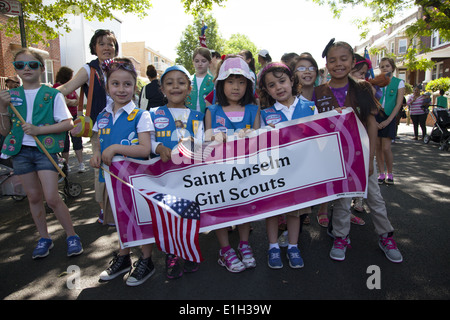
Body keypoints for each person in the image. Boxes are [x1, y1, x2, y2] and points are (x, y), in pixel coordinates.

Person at [313, 40, 403, 263]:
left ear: (353, 62)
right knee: (342, 199)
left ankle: (386, 235)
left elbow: (371, 123)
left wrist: (371, 156)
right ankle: (341, 237)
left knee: (375, 198)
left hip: (362, 155)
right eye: (332, 60)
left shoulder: (363, 88)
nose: (338, 64)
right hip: (336, 157)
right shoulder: (319, 92)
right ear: (326, 64)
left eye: (343, 59)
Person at [0, 48, 83, 259]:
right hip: (20, 152)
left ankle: (72, 235)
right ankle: (44, 238)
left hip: (44, 150)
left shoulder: (52, 94)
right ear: (16, 69)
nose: (26, 68)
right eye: (20, 65)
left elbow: (67, 123)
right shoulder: (11, 96)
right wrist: (2, 107)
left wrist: (39, 130)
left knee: (52, 197)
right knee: (34, 196)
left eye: (32, 64)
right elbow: (3, 130)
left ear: (41, 68)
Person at [90, 58, 154, 286]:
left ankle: (146, 260)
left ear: (134, 87)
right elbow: (96, 141)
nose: (121, 89)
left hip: (134, 180)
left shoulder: (140, 115)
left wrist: (115, 148)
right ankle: (124, 256)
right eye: (115, 84)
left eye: (127, 84)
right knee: (120, 219)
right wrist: (96, 152)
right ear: (107, 87)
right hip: (109, 178)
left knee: (140, 219)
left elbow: (145, 148)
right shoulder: (103, 115)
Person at [57, 29, 119, 224]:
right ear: (94, 47)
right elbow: (66, 89)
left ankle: (122, 204)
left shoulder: (121, 66)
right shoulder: (88, 69)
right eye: (102, 43)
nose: (107, 47)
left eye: (110, 43)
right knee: (101, 167)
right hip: (100, 128)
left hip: (124, 123)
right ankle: (103, 208)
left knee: (124, 164)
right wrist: (40, 94)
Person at [258, 62, 317, 269]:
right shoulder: (265, 115)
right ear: (266, 90)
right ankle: (273, 247)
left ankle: (293, 246)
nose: (279, 87)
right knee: (273, 210)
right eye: (272, 85)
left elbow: (320, 138)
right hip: (275, 171)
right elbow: (260, 147)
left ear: (292, 80)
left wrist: (335, 118)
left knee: (296, 210)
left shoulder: (310, 107)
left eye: (282, 81)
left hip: (300, 171)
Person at [204, 56, 260, 273]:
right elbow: (207, 139)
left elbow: (258, 140)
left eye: (241, 82)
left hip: (246, 171)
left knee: (245, 207)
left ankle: (244, 244)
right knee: (222, 209)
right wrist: (216, 138)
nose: (236, 87)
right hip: (219, 173)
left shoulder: (254, 110)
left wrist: (251, 135)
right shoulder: (212, 111)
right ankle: (225, 249)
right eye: (230, 81)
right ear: (220, 84)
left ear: (248, 85)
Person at [150, 65, 204, 279]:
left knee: (190, 214)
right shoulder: (153, 114)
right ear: (162, 89)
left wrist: (193, 146)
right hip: (163, 177)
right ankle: (172, 253)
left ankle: (190, 251)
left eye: (181, 82)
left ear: (189, 88)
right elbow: (149, 140)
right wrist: (159, 148)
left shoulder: (199, 115)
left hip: (190, 176)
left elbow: (201, 142)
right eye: (169, 83)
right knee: (168, 215)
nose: (175, 87)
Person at [376, 57, 405, 185]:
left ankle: (390, 173)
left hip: (390, 116)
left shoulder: (399, 82)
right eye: (382, 66)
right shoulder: (376, 82)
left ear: (392, 67)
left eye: (387, 66)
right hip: (376, 116)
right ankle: (381, 173)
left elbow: (398, 104)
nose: (384, 68)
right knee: (377, 147)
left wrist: (388, 121)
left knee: (386, 148)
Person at [52, 66, 85, 173]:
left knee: (77, 140)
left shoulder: (71, 87)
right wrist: (72, 101)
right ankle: (66, 165)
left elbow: (78, 101)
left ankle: (81, 163)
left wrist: (70, 101)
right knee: (65, 142)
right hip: (63, 118)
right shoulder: (57, 87)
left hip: (74, 117)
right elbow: (66, 102)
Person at [186, 47, 214, 114]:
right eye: (197, 61)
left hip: (207, 117)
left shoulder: (214, 81)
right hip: (189, 117)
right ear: (193, 62)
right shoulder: (188, 80)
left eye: (203, 61)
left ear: (210, 62)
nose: (200, 64)